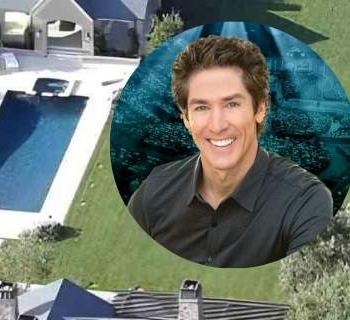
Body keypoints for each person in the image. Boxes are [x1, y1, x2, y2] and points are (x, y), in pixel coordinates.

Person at [127, 36, 332, 268]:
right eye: (201, 107)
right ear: (186, 119)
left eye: (232, 104)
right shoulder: (154, 192)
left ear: (260, 109)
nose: (217, 125)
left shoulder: (304, 203)